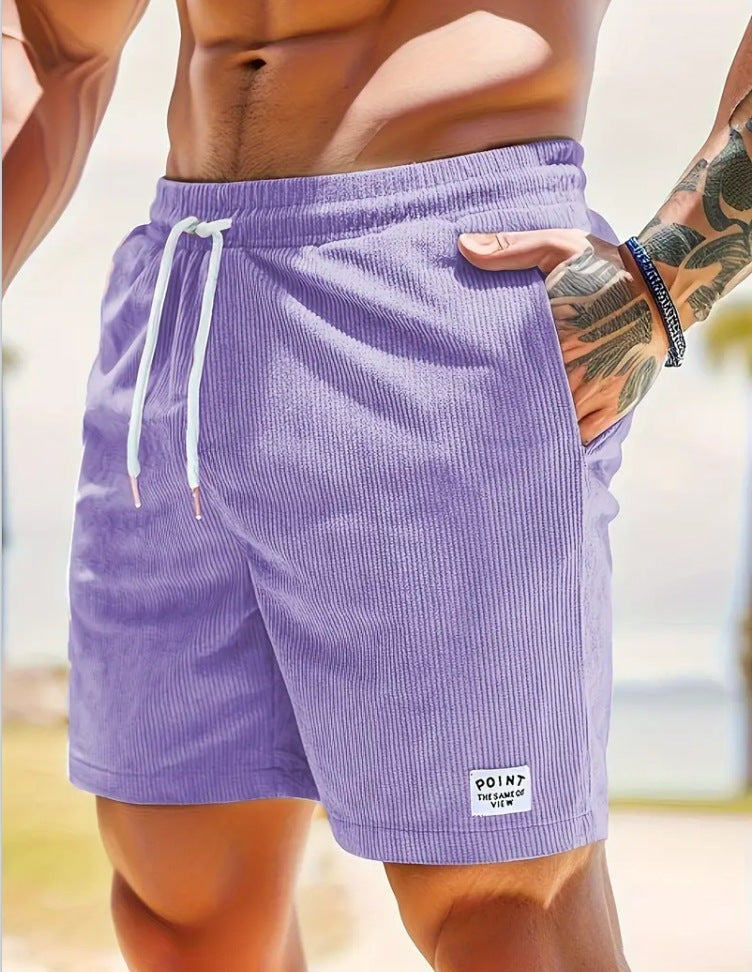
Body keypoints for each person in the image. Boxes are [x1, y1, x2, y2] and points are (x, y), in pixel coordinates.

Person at [3, 2, 751, 969]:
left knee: (507, 913)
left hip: (442, 281)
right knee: (181, 902)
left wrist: (666, 281)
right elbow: (57, 38)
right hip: (182, 302)